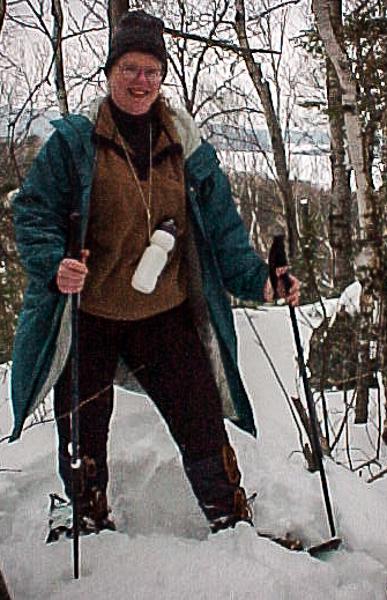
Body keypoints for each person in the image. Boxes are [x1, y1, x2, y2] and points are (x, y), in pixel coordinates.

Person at [11, 10, 300, 536]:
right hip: (90, 314)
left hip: (162, 315)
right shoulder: (76, 144)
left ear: (163, 76)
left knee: (200, 417)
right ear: (109, 72)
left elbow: (223, 232)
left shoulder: (185, 149)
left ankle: (228, 515)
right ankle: (83, 512)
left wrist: (262, 280)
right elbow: (31, 212)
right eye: (130, 69)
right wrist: (55, 264)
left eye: (151, 70)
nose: (141, 81)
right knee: (82, 426)